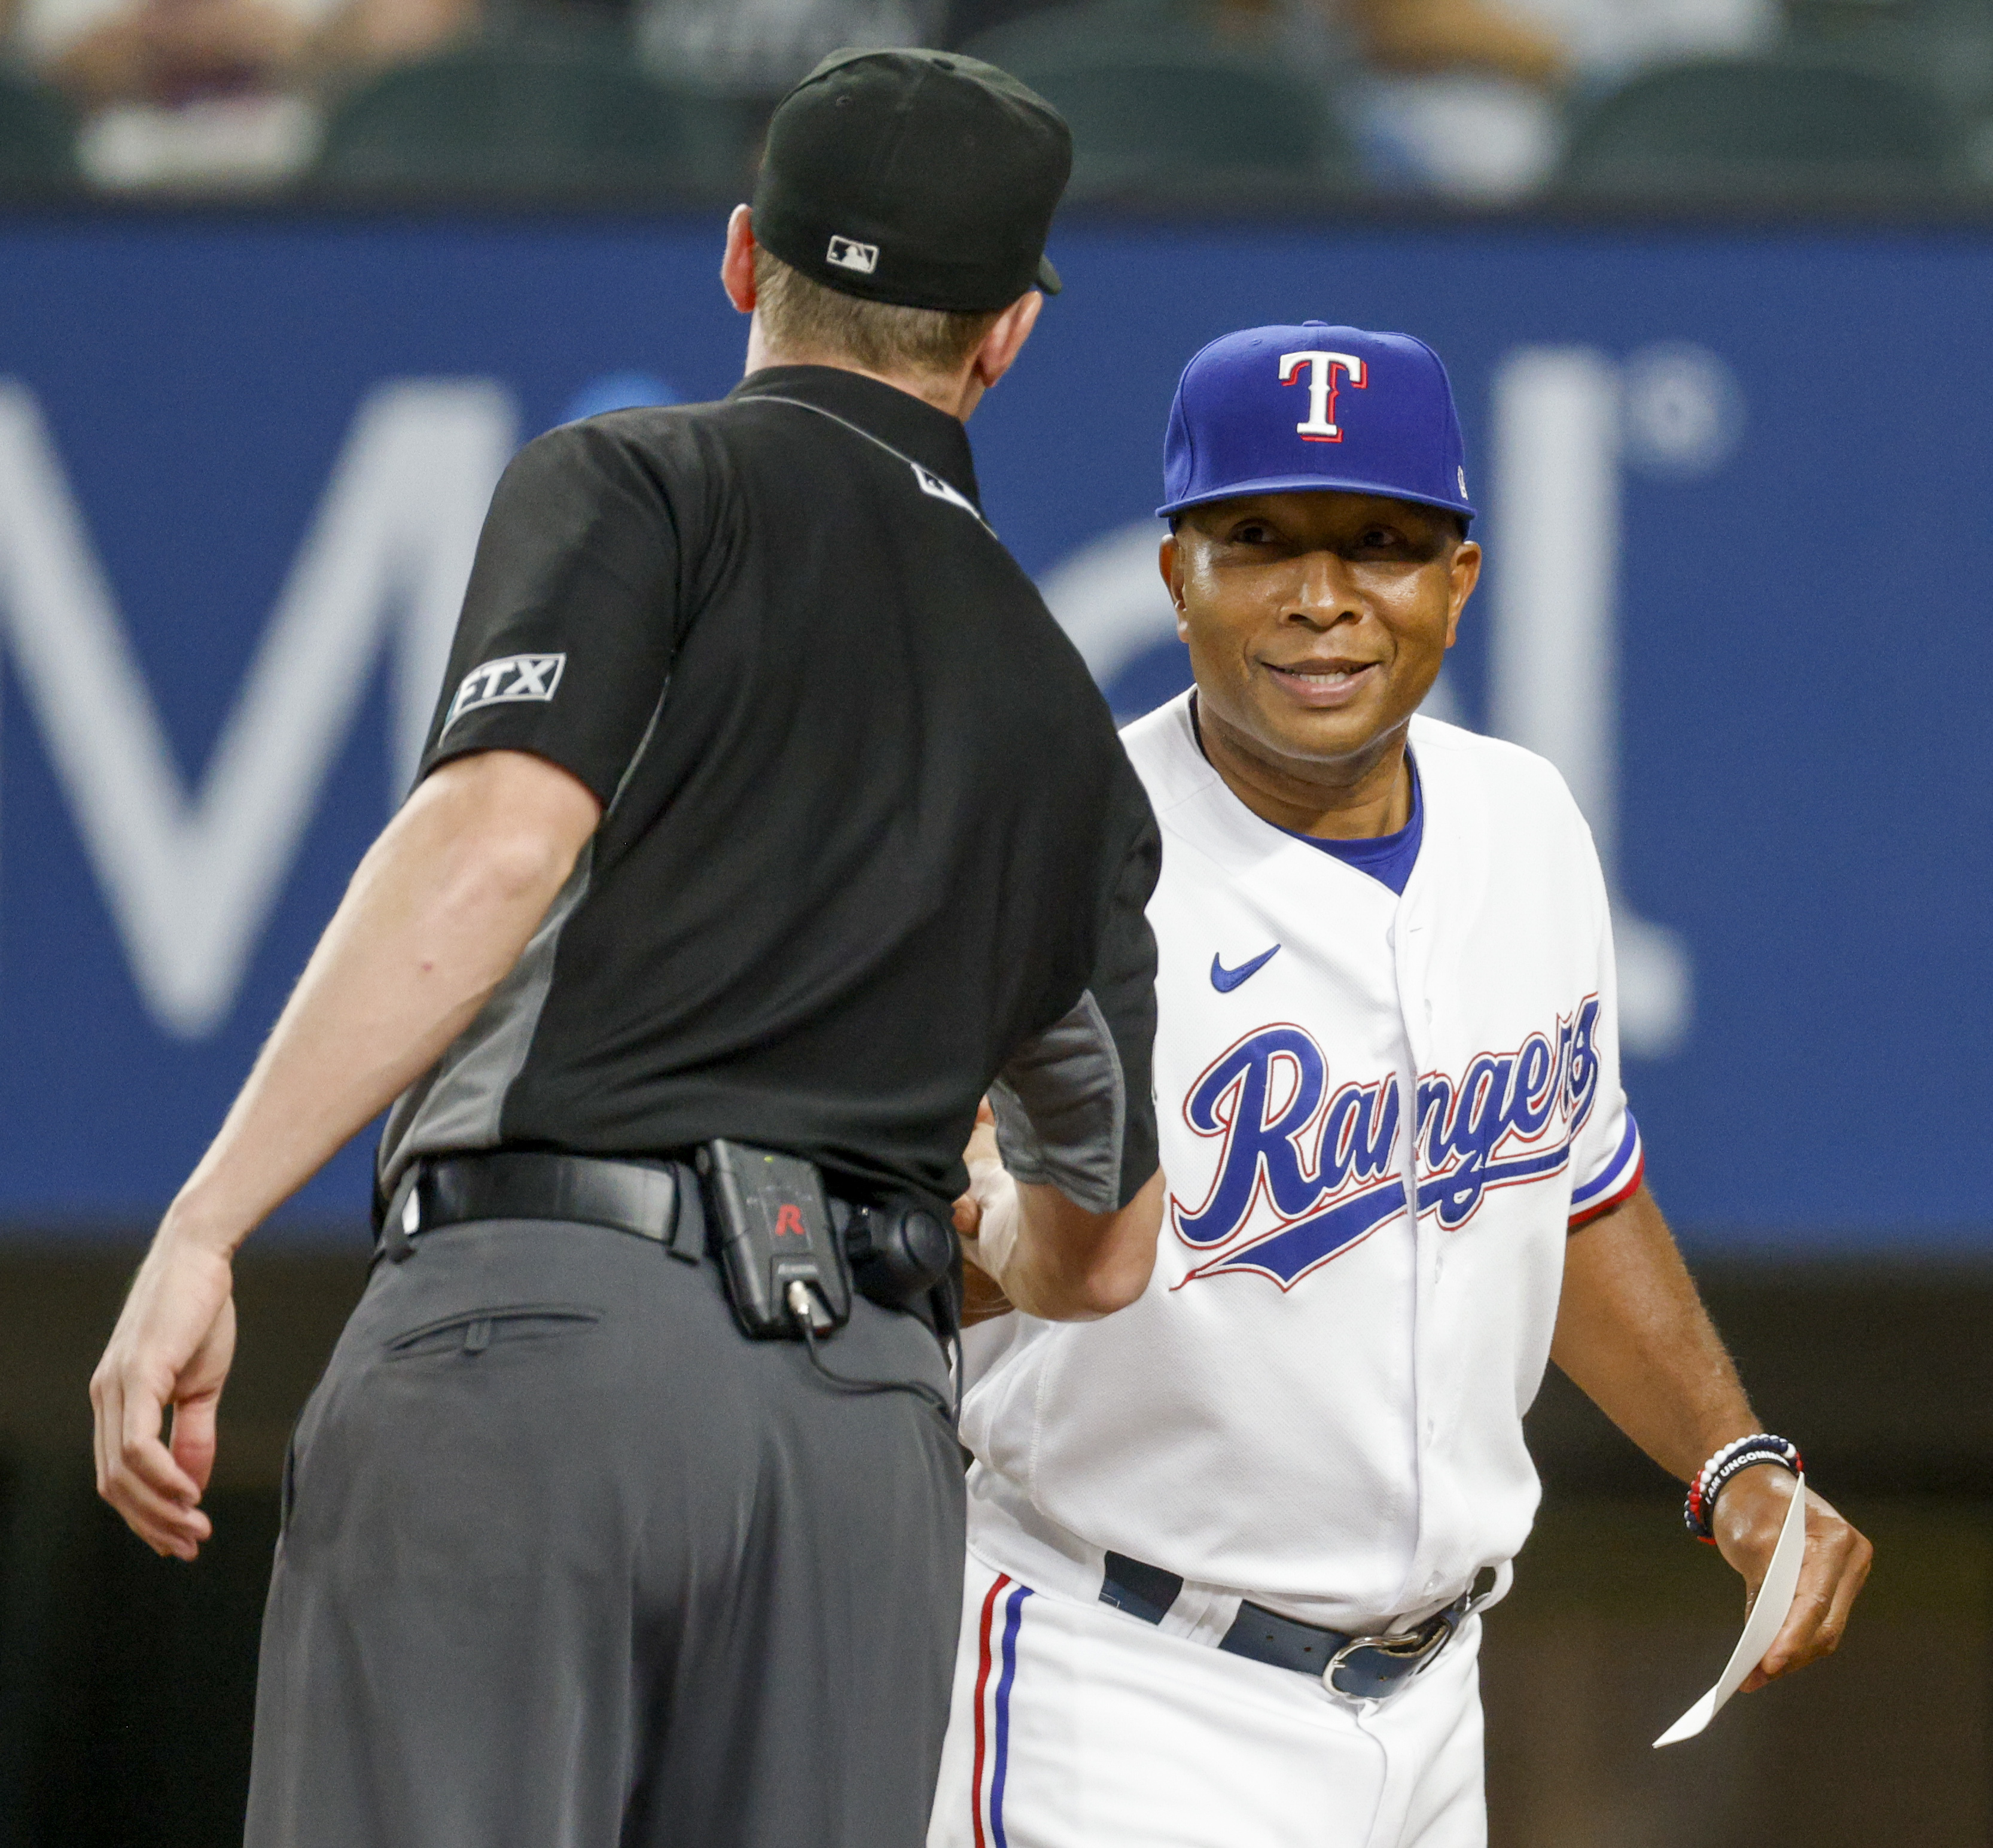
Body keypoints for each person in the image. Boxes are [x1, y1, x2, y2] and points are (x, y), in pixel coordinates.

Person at [88, 48, 1165, 1848]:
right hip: (864, 1439)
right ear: (1006, 338)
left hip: (546, 1346)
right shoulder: (1073, 721)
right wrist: (886, 1226)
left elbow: (500, 836)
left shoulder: (645, 484)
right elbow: (1107, 1247)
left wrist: (206, 1222)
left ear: (743, 261)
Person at [933, 322, 1873, 1848]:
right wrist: (975, 1234)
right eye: (1262, 542)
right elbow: (894, 1248)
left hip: (1435, 1707)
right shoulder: (1050, 854)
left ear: (1460, 578)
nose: (1322, 600)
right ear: (1176, 574)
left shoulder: (1527, 821)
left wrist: (1730, 1463)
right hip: (1115, 1688)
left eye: (1379, 542)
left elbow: (1569, 1186)